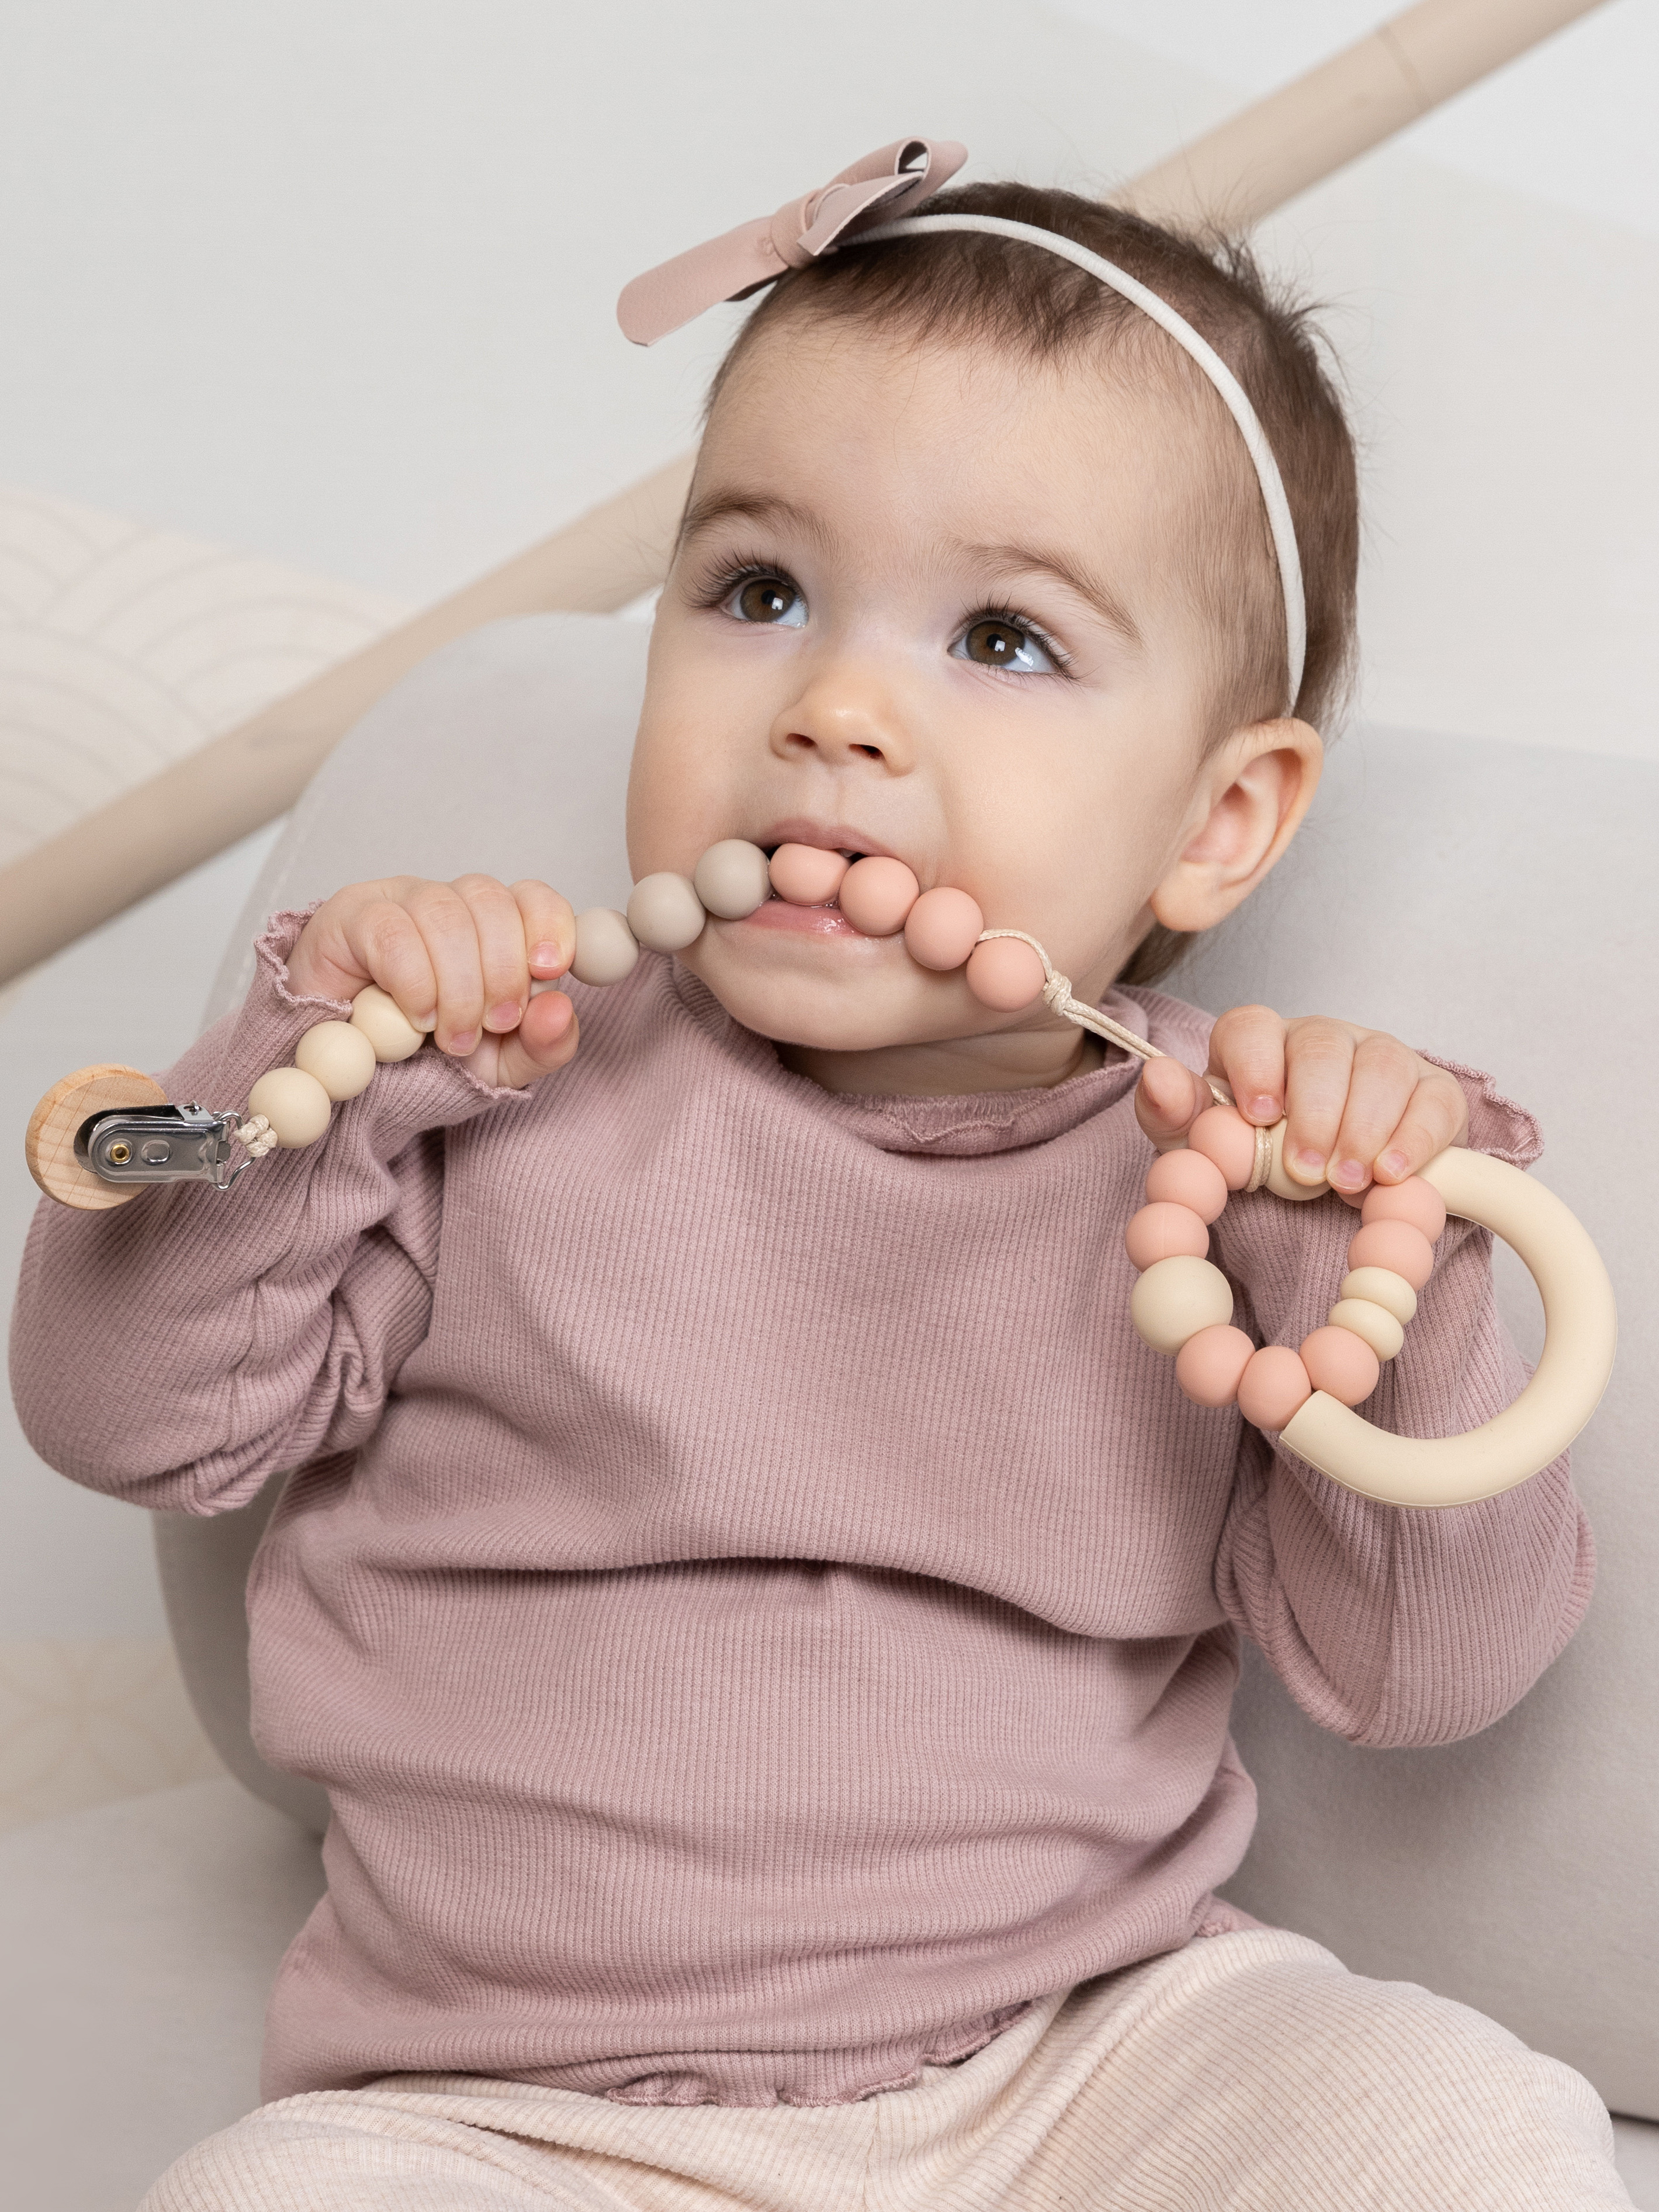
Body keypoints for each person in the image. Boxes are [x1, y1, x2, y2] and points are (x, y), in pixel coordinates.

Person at [10, 146, 1630, 2208]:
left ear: (1221, 824)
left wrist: (1371, 1260)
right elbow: (121, 1413)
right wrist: (306, 1071)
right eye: (757, 591)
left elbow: (1430, 1677)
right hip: (508, 2113)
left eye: (1007, 638)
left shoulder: (1245, 1183)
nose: (836, 709)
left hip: (1083, 2062)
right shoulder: (481, 1071)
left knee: (1458, 2123)